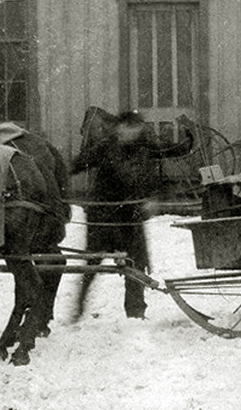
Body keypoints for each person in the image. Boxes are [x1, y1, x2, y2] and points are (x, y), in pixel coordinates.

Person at [71, 108, 196, 319]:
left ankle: (136, 312)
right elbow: (76, 165)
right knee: (92, 264)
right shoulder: (104, 148)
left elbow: (171, 150)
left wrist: (188, 138)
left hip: (131, 217)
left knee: (136, 265)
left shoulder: (144, 146)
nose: (135, 133)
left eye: (138, 129)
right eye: (131, 129)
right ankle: (77, 309)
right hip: (103, 218)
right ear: (121, 128)